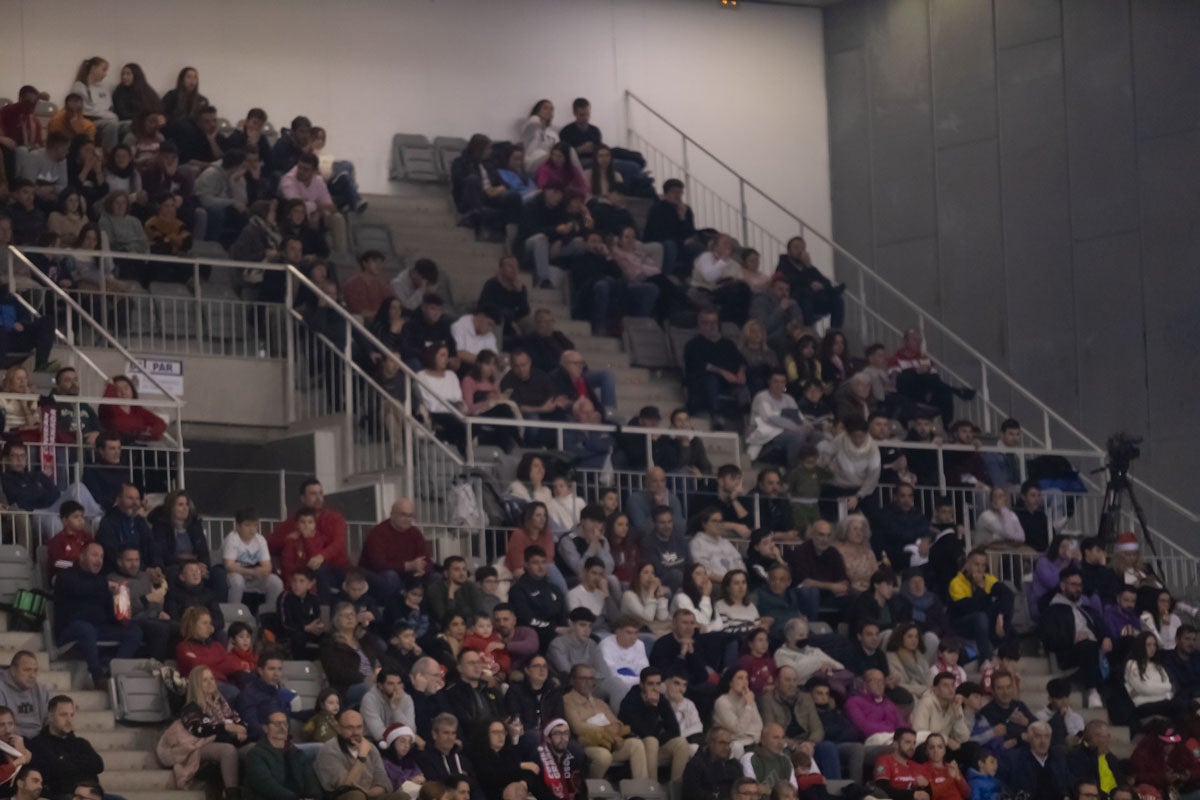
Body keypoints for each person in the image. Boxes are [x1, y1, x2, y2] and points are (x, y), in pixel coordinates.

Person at [52, 542, 142, 684]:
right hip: (70, 629)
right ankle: (97, 675)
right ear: (82, 557)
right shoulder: (66, 576)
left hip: (98, 628)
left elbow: (109, 613)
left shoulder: (101, 581)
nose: (99, 560)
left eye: (101, 556)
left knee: (134, 630)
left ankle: (113, 671)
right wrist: (105, 585)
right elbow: (80, 589)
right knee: (86, 629)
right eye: (94, 555)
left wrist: (122, 615)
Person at [268, 479, 351, 602]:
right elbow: (269, 543)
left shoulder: (335, 518)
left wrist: (322, 556)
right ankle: (323, 611)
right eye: (313, 494)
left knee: (373, 581)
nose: (318, 498)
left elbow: (339, 543)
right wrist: (287, 539)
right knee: (318, 570)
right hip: (308, 573)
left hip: (339, 568)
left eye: (320, 493)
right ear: (303, 498)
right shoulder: (293, 522)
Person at [1040, 566, 1109, 709]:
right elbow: (1051, 640)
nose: (1078, 589)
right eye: (1073, 585)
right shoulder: (1053, 611)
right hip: (1069, 652)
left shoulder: (1086, 610)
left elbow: (1099, 629)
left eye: (1080, 585)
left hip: (1093, 648)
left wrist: (1105, 638)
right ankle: (1092, 691)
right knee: (1087, 645)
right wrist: (1075, 638)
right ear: (1063, 585)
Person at [757, 665, 841, 778]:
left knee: (828, 748)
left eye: (794, 680)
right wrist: (796, 746)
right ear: (776, 682)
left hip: (807, 742)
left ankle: (833, 789)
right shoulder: (767, 700)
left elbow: (817, 728)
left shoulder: (806, 698)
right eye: (787, 680)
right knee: (783, 751)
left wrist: (809, 743)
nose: (792, 684)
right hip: (785, 743)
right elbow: (771, 730)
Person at [618, 666, 691, 781]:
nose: (655, 688)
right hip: (637, 750)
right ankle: (652, 790)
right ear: (642, 685)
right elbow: (645, 732)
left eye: (658, 684)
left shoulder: (660, 699)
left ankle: (676, 790)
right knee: (651, 741)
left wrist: (659, 740)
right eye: (650, 684)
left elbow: (674, 729)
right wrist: (652, 707)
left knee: (681, 743)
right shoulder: (630, 700)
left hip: (655, 748)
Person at [27, 695, 106, 800]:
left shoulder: (81, 743)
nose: (69, 720)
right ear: (50, 716)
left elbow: (98, 765)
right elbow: (55, 773)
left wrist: (65, 760)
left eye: (72, 715)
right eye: (63, 715)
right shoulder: (38, 744)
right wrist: (79, 764)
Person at [315, 709, 406, 800]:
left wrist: (370, 793)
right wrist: (361, 757)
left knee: (402, 796)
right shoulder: (329, 750)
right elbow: (345, 787)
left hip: (371, 795)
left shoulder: (371, 748)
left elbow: (383, 780)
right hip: (343, 796)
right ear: (339, 728)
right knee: (357, 796)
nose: (355, 732)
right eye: (349, 728)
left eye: (359, 727)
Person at [684, 308, 748, 430]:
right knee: (711, 379)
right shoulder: (693, 344)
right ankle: (716, 415)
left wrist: (741, 371)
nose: (711, 326)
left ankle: (747, 414)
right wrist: (722, 372)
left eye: (714, 322)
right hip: (703, 381)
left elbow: (741, 360)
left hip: (729, 382)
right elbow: (697, 364)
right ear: (699, 325)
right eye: (706, 323)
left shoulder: (728, 344)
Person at [948, 549, 1014, 665]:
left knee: (1005, 609)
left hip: (982, 622)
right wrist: (979, 587)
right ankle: (985, 659)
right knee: (981, 616)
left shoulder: (988, 579)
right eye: (976, 564)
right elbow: (969, 608)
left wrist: (1000, 615)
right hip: (962, 623)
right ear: (967, 564)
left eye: (983, 565)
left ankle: (1001, 651)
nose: (980, 569)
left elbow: (1008, 595)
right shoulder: (956, 582)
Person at [243, 710, 322, 800]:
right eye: (277, 724)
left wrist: (314, 797)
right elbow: (267, 786)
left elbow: (311, 780)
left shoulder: (297, 753)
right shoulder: (255, 755)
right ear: (265, 728)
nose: (282, 727)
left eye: (285, 724)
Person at [747, 371, 817, 467]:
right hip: (766, 432)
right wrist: (796, 428)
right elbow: (771, 418)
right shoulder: (762, 397)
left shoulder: (789, 399)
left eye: (782, 382)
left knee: (817, 435)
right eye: (776, 381)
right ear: (769, 382)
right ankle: (792, 468)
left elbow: (799, 417)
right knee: (797, 437)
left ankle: (810, 468)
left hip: (787, 430)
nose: (779, 385)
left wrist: (808, 426)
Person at [774, 237, 845, 329]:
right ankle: (807, 329)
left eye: (802, 248)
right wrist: (809, 284)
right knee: (805, 292)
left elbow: (825, 281)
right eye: (796, 248)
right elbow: (792, 282)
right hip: (797, 299)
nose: (800, 251)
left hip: (814, 300)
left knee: (837, 300)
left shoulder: (806, 265)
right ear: (789, 250)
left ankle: (835, 332)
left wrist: (810, 268)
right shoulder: (783, 265)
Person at [509, 547, 568, 651]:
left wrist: (566, 629)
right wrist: (554, 629)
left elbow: (564, 614)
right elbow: (527, 619)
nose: (541, 567)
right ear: (526, 565)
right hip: (535, 634)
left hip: (559, 634)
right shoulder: (518, 590)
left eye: (543, 562)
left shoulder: (554, 588)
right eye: (535, 563)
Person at [997, 721, 1072, 800]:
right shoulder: (1014, 760)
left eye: (1046, 736)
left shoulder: (1058, 760)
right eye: (1038, 736)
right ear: (1029, 738)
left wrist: (1066, 795)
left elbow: (1069, 784)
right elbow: (1001, 786)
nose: (1043, 741)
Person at [643, 179, 700, 276]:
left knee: (697, 247)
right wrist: (682, 240)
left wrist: (682, 218)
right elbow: (660, 232)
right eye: (674, 192)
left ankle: (691, 277)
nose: (677, 195)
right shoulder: (658, 208)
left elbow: (690, 231)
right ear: (666, 193)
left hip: (679, 242)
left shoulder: (685, 210)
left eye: (680, 192)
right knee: (670, 245)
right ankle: (665, 275)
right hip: (661, 241)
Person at [681, 726, 748, 800]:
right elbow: (692, 794)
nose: (727, 747)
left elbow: (742, 789)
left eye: (729, 744)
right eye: (722, 743)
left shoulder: (734, 765)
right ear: (710, 743)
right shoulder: (695, 765)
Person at [844, 669, 909, 745]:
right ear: (865, 684)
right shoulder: (853, 702)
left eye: (882, 681)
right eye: (875, 681)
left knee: (923, 737)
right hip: (873, 739)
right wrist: (891, 731)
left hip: (894, 737)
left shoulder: (889, 704)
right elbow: (863, 726)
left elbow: (901, 724)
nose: (879, 684)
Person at [713, 668, 764, 758]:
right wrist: (748, 706)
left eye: (746, 678)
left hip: (752, 741)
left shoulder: (748, 698)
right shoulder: (722, 702)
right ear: (730, 683)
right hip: (733, 744)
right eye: (740, 678)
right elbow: (738, 729)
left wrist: (754, 738)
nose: (745, 682)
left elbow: (759, 724)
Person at [980, 670, 1033, 751]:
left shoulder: (1019, 705)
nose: (1006, 692)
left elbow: (1039, 726)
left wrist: (1027, 722)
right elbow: (1000, 736)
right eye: (1000, 688)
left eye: (1008, 687)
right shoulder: (986, 712)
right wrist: (1021, 735)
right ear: (993, 691)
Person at [871, 728, 930, 800]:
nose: (912, 747)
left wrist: (927, 786)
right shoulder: (884, 761)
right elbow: (883, 788)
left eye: (914, 743)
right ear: (895, 744)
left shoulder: (918, 766)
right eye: (908, 742)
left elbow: (928, 794)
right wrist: (911, 795)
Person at [0, 652, 47, 740]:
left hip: (40, 742)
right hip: (9, 742)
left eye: (35, 670)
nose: (32, 675)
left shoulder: (42, 691)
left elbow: (50, 722)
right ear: (13, 671)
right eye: (27, 670)